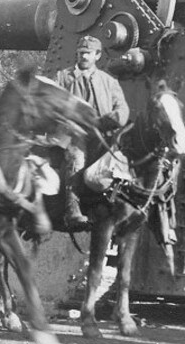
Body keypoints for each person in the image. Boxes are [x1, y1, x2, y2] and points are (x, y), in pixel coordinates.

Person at [55, 35, 130, 230]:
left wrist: (106, 121)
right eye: (80, 53)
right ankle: (72, 208)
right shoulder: (63, 77)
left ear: (97, 55)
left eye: (88, 53)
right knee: (76, 157)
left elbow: (122, 110)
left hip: (103, 133)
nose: (83, 56)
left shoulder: (109, 81)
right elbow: (53, 107)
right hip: (74, 134)